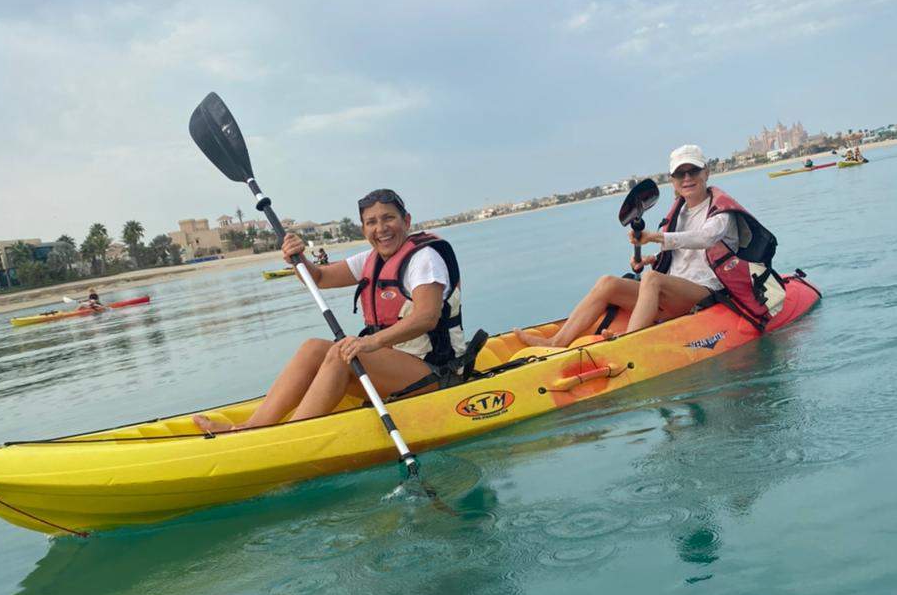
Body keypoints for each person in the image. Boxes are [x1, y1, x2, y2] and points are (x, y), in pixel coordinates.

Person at [193, 190, 465, 432]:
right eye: (371, 222)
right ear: (363, 229)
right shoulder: (372, 259)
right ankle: (251, 427)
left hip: (435, 371)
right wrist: (298, 260)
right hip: (396, 366)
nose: (381, 228)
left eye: (388, 218)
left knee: (342, 352)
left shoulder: (424, 259)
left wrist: (370, 342)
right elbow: (320, 278)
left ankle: (291, 437)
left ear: (406, 221)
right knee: (313, 347)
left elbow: (427, 317)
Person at [516, 144, 779, 347]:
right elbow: (681, 252)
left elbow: (705, 237)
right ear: (672, 180)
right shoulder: (679, 211)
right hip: (674, 287)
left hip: (706, 291)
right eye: (680, 173)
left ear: (706, 173)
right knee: (608, 281)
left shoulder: (722, 212)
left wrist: (655, 238)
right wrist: (651, 258)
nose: (687, 178)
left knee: (651, 280)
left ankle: (629, 344)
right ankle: (557, 342)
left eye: (693, 171)